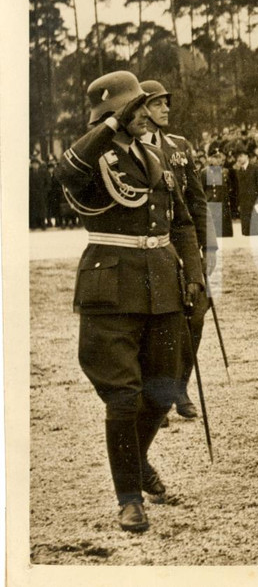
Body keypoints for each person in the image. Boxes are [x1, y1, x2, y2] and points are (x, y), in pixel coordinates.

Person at [53, 70, 204, 532]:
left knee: (163, 391)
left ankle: (135, 462)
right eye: (136, 108)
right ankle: (129, 497)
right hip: (111, 290)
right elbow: (67, 171)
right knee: (123, 397)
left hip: (160, 285)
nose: (145, 114)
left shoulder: (156, 155)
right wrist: (113, 127)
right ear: (113, 114)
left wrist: (194, 272)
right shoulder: (92, 157)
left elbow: (181, 221)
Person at [138, 80, 209, 423]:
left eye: (167, 103)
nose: (166, 108)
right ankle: (154, 394)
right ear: (140, 109)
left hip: (182, 248)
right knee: (152, 324)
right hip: (149, 252)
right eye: (157, 103)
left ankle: (179, 385)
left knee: (195, 316)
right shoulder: (130, 147)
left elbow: (195, 202)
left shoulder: (179, 146)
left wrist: (205, 252)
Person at [233, 149, 258, 236]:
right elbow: (239, 189)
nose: (239, 159)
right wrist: (238, 204)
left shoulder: (255, 168)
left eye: (241, 156)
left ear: (247, 156)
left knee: (257, 231)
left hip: (256, 202)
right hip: (245, 205)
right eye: (238, 157)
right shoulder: (240, 171)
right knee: (247, 232)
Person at [202, 150, 234, 238]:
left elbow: (228, 189)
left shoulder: (224, 172)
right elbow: (202, 189)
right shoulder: (205, 172)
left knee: (224, 233)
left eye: (219, 157)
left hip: (222, 204)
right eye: (215, 157)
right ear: (210, 159)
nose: (218, 160)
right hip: (211, 204)